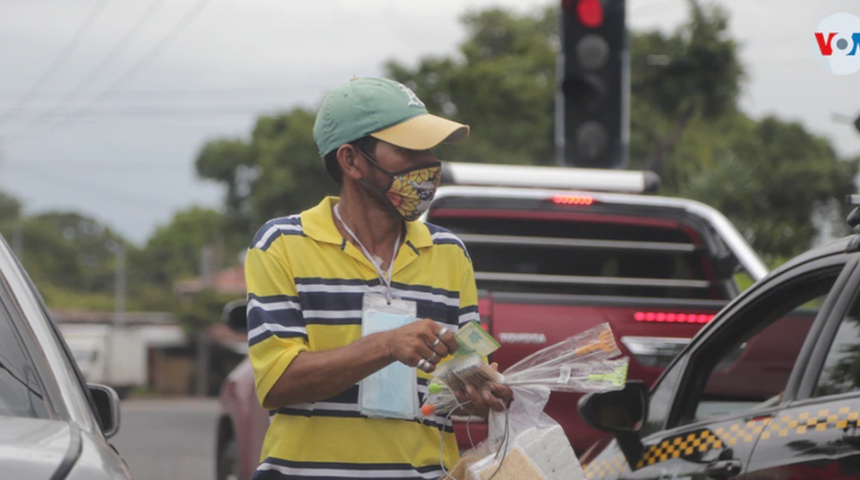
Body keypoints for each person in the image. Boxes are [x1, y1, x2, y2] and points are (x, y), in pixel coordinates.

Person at [245, 76, 513, 480]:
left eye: (430, 149)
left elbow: (464, 380)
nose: (428, 165)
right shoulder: (282, 244)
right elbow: (279, 383)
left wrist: (484, 393)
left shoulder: (449, 253)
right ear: (351, 161)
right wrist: (387, 345)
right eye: (409, 150)